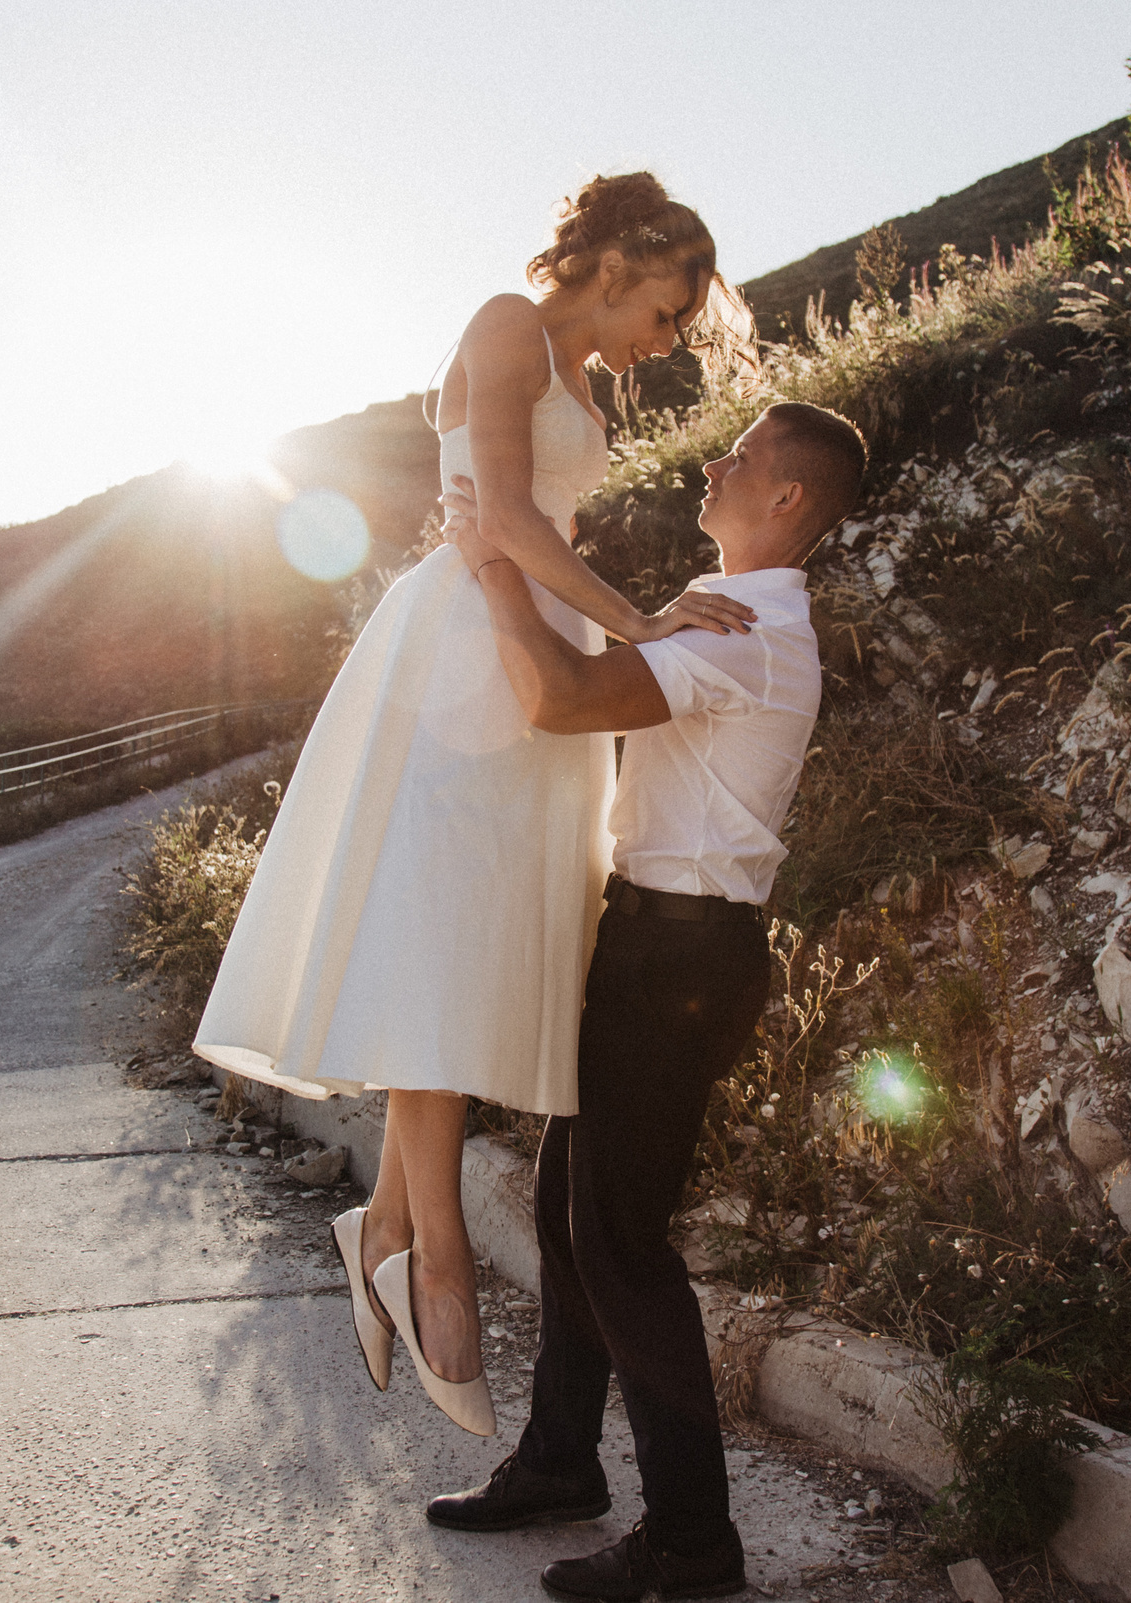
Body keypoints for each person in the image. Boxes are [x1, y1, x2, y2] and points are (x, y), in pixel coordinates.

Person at [191, 173, 758, 1436]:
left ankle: (385, 1227)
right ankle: (433, 1266)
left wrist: (595, 624)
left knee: (483, 947)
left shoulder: (587, 373)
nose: (664, 344)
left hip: (528, 652)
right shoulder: (504, 322)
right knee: (443, 946)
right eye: (668, 312)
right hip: (462, 652)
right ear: (620, 262)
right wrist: (642, 622)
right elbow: (499, 514)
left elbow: (525, 521)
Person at [430, 401, 866, 1601]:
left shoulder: (745, 630)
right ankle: (562, 1461)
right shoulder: (723, 610)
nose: (713, 464)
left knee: (618, 1241)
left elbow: (563, 701)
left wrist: (496, 566)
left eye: (740, 458)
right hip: (649, 948)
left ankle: (691, 1544)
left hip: (680, 964)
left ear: (786, 500)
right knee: (574, 1210)